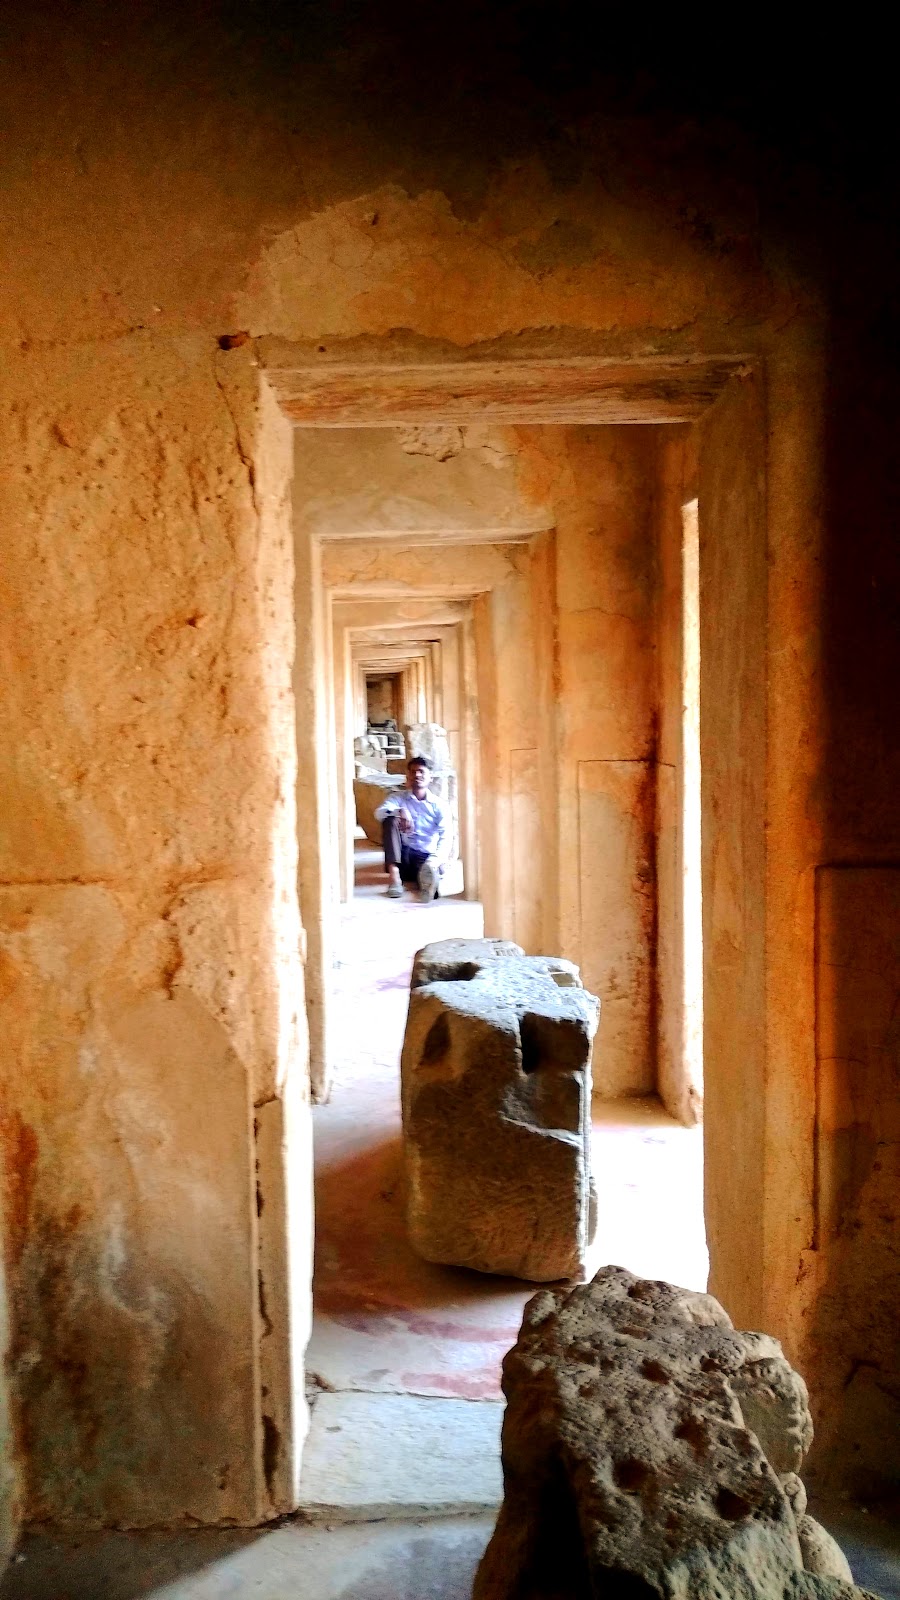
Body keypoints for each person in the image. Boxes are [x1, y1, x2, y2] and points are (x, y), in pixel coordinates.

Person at [374, 755, 449, 901]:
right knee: (390, 819)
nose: (417, 775)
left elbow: (446, 837)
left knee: (429, 880)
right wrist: (399, 811)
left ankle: (428, 882)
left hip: (424, 855)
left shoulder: (439, 805)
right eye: (413, 772)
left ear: (430, 777)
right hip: (402, 857)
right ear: (408, 776)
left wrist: (433, 861)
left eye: (421, 771)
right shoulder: (398, 798)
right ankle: (394, 877)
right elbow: (379, 813)